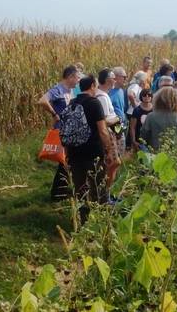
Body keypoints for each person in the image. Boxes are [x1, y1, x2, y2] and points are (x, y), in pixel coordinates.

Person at [64, 75, 119, 224]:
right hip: (93, 152)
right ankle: (101, 220)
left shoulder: (71, 103)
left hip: (75, 152)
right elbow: (102, 130)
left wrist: (67, 154)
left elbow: (67, 130)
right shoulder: (94, 103)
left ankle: (83, 220)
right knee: (98, 185)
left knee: (80, 187)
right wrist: (108, 151)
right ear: (93, 86)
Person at [37, 65, 80, 201]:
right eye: (77, 78)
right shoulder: (58, 90)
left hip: (68, 130)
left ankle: (61, 191)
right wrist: (54, 114)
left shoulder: (69, 91)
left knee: (66, 162)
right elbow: (42, 101)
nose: (78, 81)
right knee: (65, 161)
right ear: (70, 77)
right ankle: (57, 194)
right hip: (62, 131)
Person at [140, 87, 177, 151]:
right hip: (175, 150)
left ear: (158, 100)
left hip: (156, 151)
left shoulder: (151, 116)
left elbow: (143, 135)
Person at [95, 69, 122, 190]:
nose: (115, 80)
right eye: (113, 78)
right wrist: (116, 120)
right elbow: (103, 120)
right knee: (113, 163)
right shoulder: (101, 96)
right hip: (108, 133)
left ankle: (106, 192)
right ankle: (106, 192)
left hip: (112, 131)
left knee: (114, 163)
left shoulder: (104, 94)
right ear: (107, 80)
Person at [125, 71, 147, 149]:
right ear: (141, 79)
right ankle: (130, 147)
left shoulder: (135, 86)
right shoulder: (135, 86)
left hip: (132, 111)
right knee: (133, 130)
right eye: (145, 79)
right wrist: (135, 106)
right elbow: (131, 95)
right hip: (132, 112)